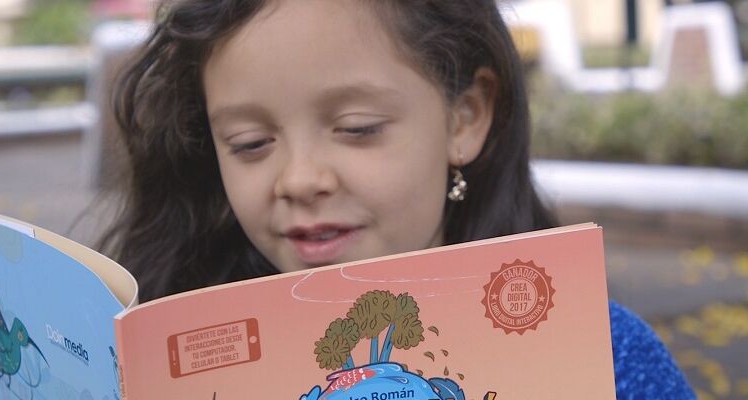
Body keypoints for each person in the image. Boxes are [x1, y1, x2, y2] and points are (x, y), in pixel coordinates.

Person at [98, 0, 694, 398]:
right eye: (249, 143)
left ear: (466, 116)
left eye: (357, 127)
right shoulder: (172, 367)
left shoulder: (611, 361)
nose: (300, 179)